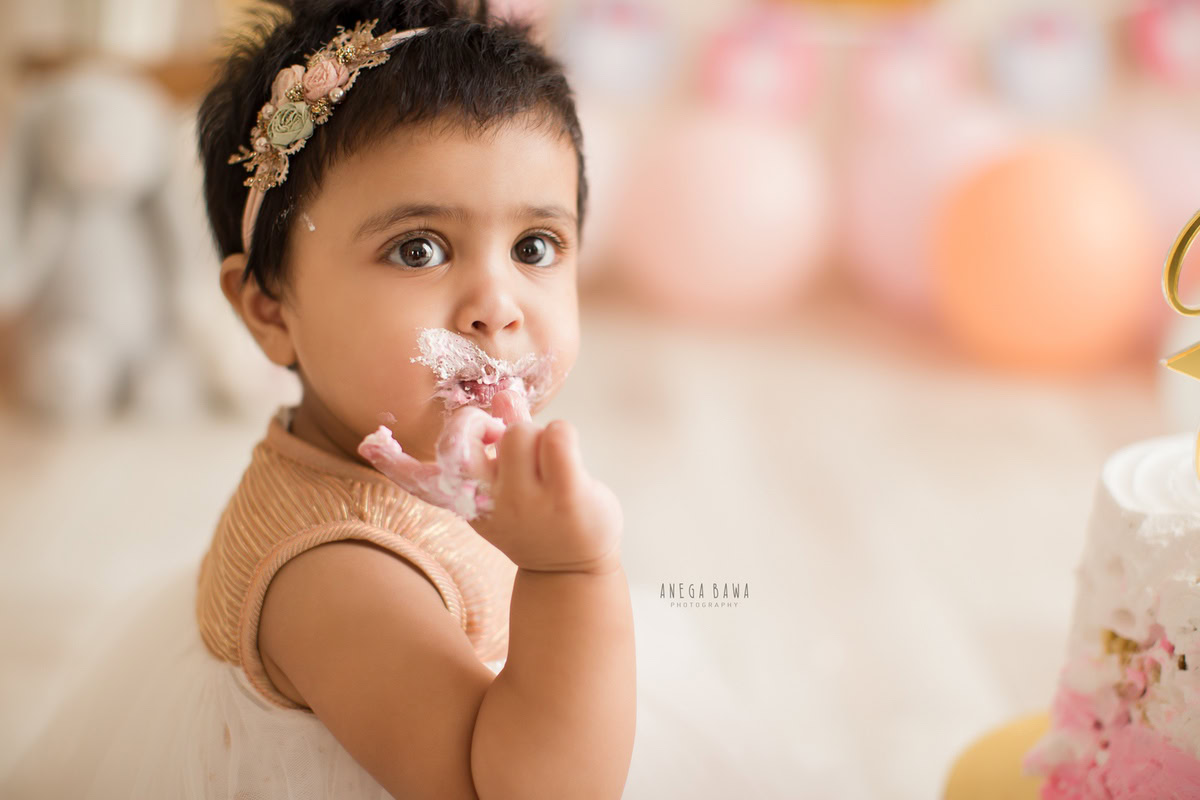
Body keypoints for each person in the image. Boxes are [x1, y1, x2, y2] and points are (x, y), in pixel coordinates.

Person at [0, 1, 635, 797]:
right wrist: (572, 572)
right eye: (419, 248)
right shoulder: (335, 572)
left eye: (534, 247)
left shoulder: (397, 437)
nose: (497, 305)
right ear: (271, 312)